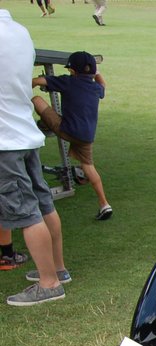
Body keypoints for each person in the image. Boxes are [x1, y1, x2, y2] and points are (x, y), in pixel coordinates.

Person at [1, 8, 69, 305]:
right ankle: (58, 268)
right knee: (43, 204)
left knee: (26, 212)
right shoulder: (19, 31)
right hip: (24, 131)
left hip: (5, 139)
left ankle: (49, 283)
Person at [32, 51, 113, 221]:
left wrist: (28, 84)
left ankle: (45, 124)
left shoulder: (67, 81)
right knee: (88, 166)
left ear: (73, 71)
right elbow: (103, 84)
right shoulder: (95, 88)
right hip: (86, 135)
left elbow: (38, 81)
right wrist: (96, 73)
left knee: (37, 100)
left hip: (66, 130)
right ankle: (104, 204)